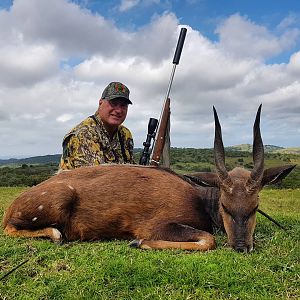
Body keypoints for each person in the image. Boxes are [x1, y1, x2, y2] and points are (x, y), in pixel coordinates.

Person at [59, 81, 134, 170]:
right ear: (100, 103)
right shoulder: (84, 134)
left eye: (123, 105)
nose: (118, 110)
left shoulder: (125, 134)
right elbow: (95, 179)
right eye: (113, 103)